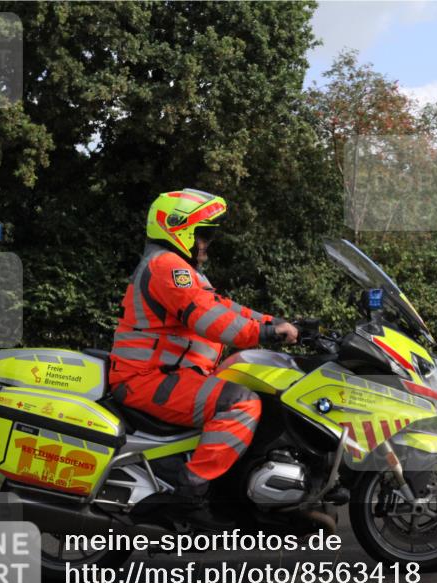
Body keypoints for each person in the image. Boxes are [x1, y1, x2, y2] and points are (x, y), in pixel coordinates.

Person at [108, 188, 298, 521]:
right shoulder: (166, 266)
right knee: (241, 403)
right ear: (178, 230)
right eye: (203, 234)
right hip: (148, 379)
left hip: (170, 375)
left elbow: (224, 307)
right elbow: (207, 318)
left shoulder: (181, 271)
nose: (207, 242)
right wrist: (264, 333)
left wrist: (276, 322)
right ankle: (188, 495)